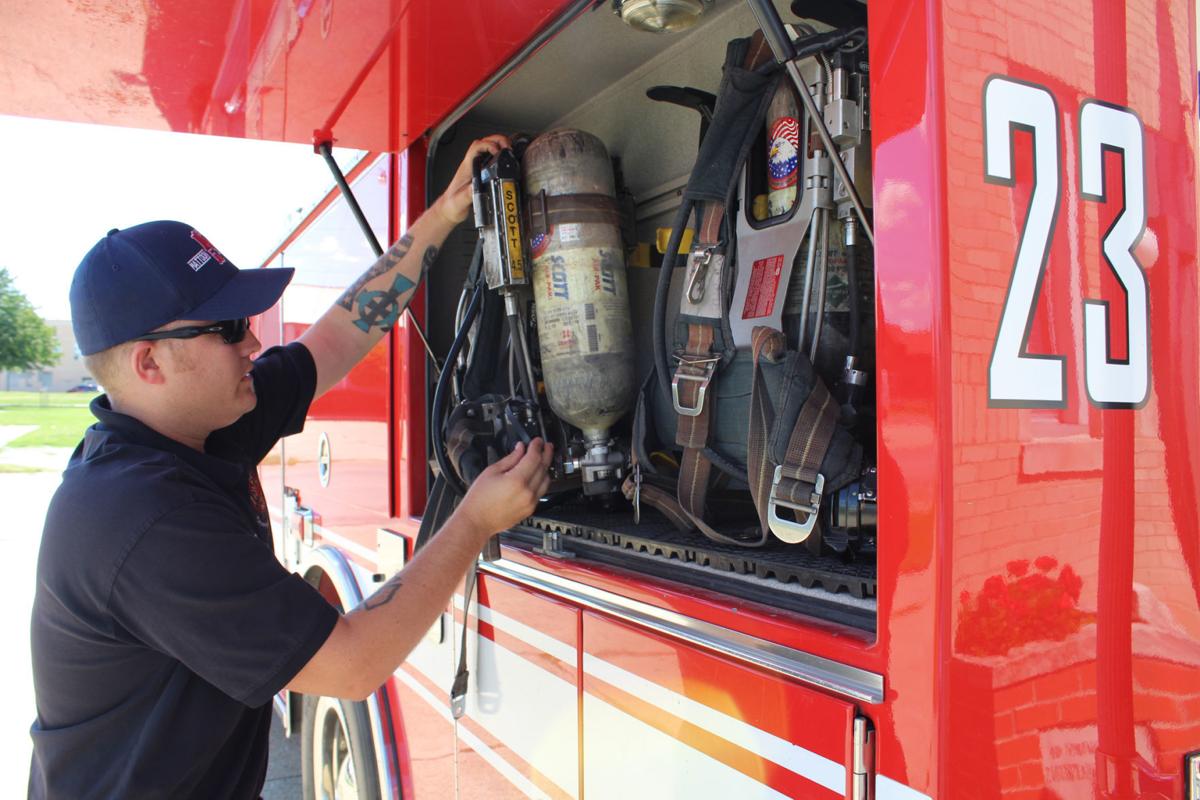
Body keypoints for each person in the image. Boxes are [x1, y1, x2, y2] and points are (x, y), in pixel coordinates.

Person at [28, 135, 552, 799]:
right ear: (149, 364)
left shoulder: (199, 426)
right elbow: (355, 663)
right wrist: (474, 519)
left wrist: (442, 216)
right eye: (224, 328)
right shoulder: (142, 520)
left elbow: (336, 337)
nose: (253, 338)